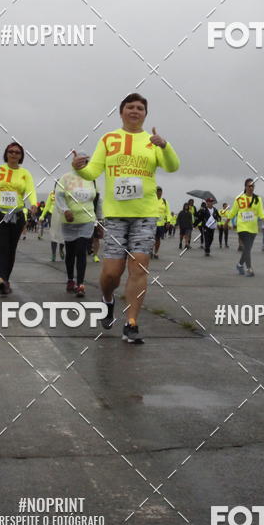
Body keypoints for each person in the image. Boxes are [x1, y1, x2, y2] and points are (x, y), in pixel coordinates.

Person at [72, 92, 180, 344]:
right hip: (116, 216)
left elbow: (173, 166)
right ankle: (107, 301)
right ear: (121, 112)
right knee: (111, 273)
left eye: (140, 108)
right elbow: (92, 172)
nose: (135, 111)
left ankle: (131, 323)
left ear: (145, 114)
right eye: (130, 107)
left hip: (145, 214)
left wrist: (165, 145)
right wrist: (79, 167)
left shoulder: (152, 141)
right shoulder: (109, 139)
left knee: (139, 266)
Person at [0, 142, 37, 294]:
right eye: (11, 151)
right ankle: (2, 278)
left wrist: (34, 204)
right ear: (6, 153)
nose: (14, 154)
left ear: (21, 156)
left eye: (17, 152)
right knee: (2, 245)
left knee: (11, 249)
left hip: (16, 215)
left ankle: (5, 281)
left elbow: (31, 190)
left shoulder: (25, 174)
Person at [54, 171, 98, 298]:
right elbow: (59, 196)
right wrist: (65, 210)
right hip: (69, 221)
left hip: (87, 220)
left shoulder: (91, 178)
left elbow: (97, 200)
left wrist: (99, 219)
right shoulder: (66, 178)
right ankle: (70, 280)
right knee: (71, 252)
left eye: (85, 162)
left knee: (81, 250)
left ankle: (80, 284)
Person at [227, 179, 264, 276]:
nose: (251, 188)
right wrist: (227, 221)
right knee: (247, 247)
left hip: (253, 227)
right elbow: (233, 212)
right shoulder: (239, 199)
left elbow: (261, 211)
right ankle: (249, 269)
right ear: (245, 187)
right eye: (249, 186)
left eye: (252, 186)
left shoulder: (258, 199)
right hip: (242, 227)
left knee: (248, 248)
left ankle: (240, 264)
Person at [153, 187, 171, 259]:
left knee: (158, 239)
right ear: (155, 192)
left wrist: (168, 221)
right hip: (152, 223)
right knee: (151, 239)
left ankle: (156, 252)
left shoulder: (165, 201)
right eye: (158, 192)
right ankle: (150, 251)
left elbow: (168, 212)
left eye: (160, 192)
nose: (159, 193)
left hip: (160, 224)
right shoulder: (151, 200)